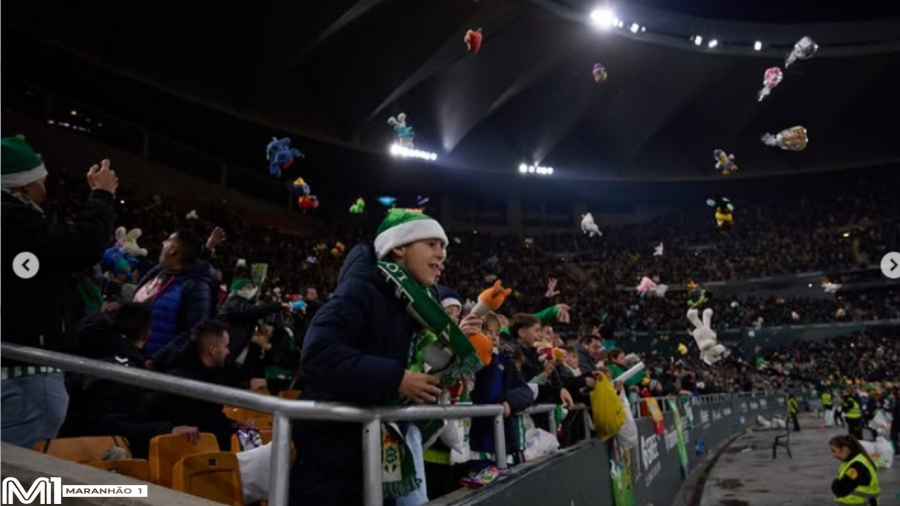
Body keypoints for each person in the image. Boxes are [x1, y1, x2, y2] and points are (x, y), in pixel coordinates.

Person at [291, 209, 475, 506]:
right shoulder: (361, 288)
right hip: (336, 453)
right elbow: (318, 354)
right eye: (431, 244)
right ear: (399, 247)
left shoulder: (414, 302)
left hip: (378, 446)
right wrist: (396, 378)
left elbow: (418, 361)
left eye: (443, 247)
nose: (442, 255)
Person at [1, 137, 118, 448]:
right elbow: (82, 244)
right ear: (22, 187)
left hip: (16, 365)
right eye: (42, 178)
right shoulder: (13, 220)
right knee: (15, 481)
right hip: (23, 373)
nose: (46, 185)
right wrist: (102, 196)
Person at [81, 303, 199, 458]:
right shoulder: (125, 374)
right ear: (147, 334)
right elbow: (113, 425)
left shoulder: (99, 352)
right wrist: (167, 430)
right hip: (105, 454)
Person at [132, 228, 218, 371]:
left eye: (168, 241)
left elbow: (193, 332)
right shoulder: (159, 272)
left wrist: (157, 361)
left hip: (151, 367)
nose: (163, 243)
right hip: (132, 355)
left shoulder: (196, 286)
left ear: (173, 249)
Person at [144, 320, 237, 450]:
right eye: (226, 346)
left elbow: (210, 416)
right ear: (213, 349)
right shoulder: (180, 381)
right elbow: (200, 423)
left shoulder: (210, 375)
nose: (228, 352)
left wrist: (233, 425)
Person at [829, 434, 880, 505]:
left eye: (834, 451)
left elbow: (840, 488)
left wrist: (835, 482)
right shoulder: (855, 460)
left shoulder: (857, 466)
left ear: (844, 449)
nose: (834, 455)